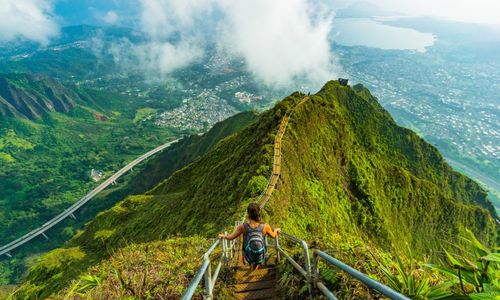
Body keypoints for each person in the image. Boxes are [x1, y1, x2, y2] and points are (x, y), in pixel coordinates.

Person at [219, 203, 281, 269]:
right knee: (258, 259)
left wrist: (223, 236)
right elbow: (273, 236)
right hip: (261, 252)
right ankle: (257, 265)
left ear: (248, 214)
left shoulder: (243, 226)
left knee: (249, 253)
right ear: (259, 213)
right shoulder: (265, 226)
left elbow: (231, 237)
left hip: (248, 253)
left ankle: (252, 266)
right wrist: (276, 230)